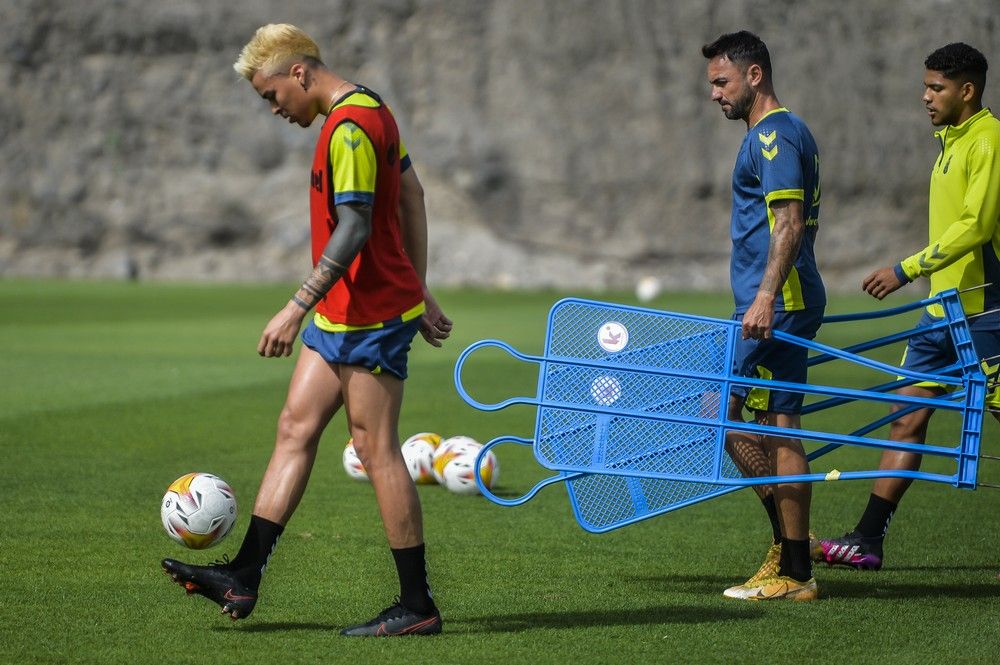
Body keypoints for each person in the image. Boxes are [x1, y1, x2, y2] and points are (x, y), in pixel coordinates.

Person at [162, 23, 453, 636]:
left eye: (272, 96)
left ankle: (417, 605)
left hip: (367, 317)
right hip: (346, 310)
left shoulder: (347, 129)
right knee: (295, 427)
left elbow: (354, 226)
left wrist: (296, 305)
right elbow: (413, 196)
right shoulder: (370, 106)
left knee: (376, 449)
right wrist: (418, 285)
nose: (273, 110)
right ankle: (245, 575)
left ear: (300, 73)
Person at [815, 43, 999, 572]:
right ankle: (869, 539)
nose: (926, 96)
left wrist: (905, 268)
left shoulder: (988, 140)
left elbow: (977, 227)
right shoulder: (949, 143)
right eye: (926, 86)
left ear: (967, 90)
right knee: (906, 416)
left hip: (986, 314)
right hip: (941, 314)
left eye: (937, 87)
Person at [702, 31, 825, 601]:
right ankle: (794, 561)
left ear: (755, 76)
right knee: (778, 426)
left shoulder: (774, 136)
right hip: (780, 301)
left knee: (718, 411)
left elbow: (789, 221)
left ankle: (791, 555)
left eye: (721, 81)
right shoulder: (775, 133)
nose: (714, 94)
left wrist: (765, 297)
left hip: (778, 304)